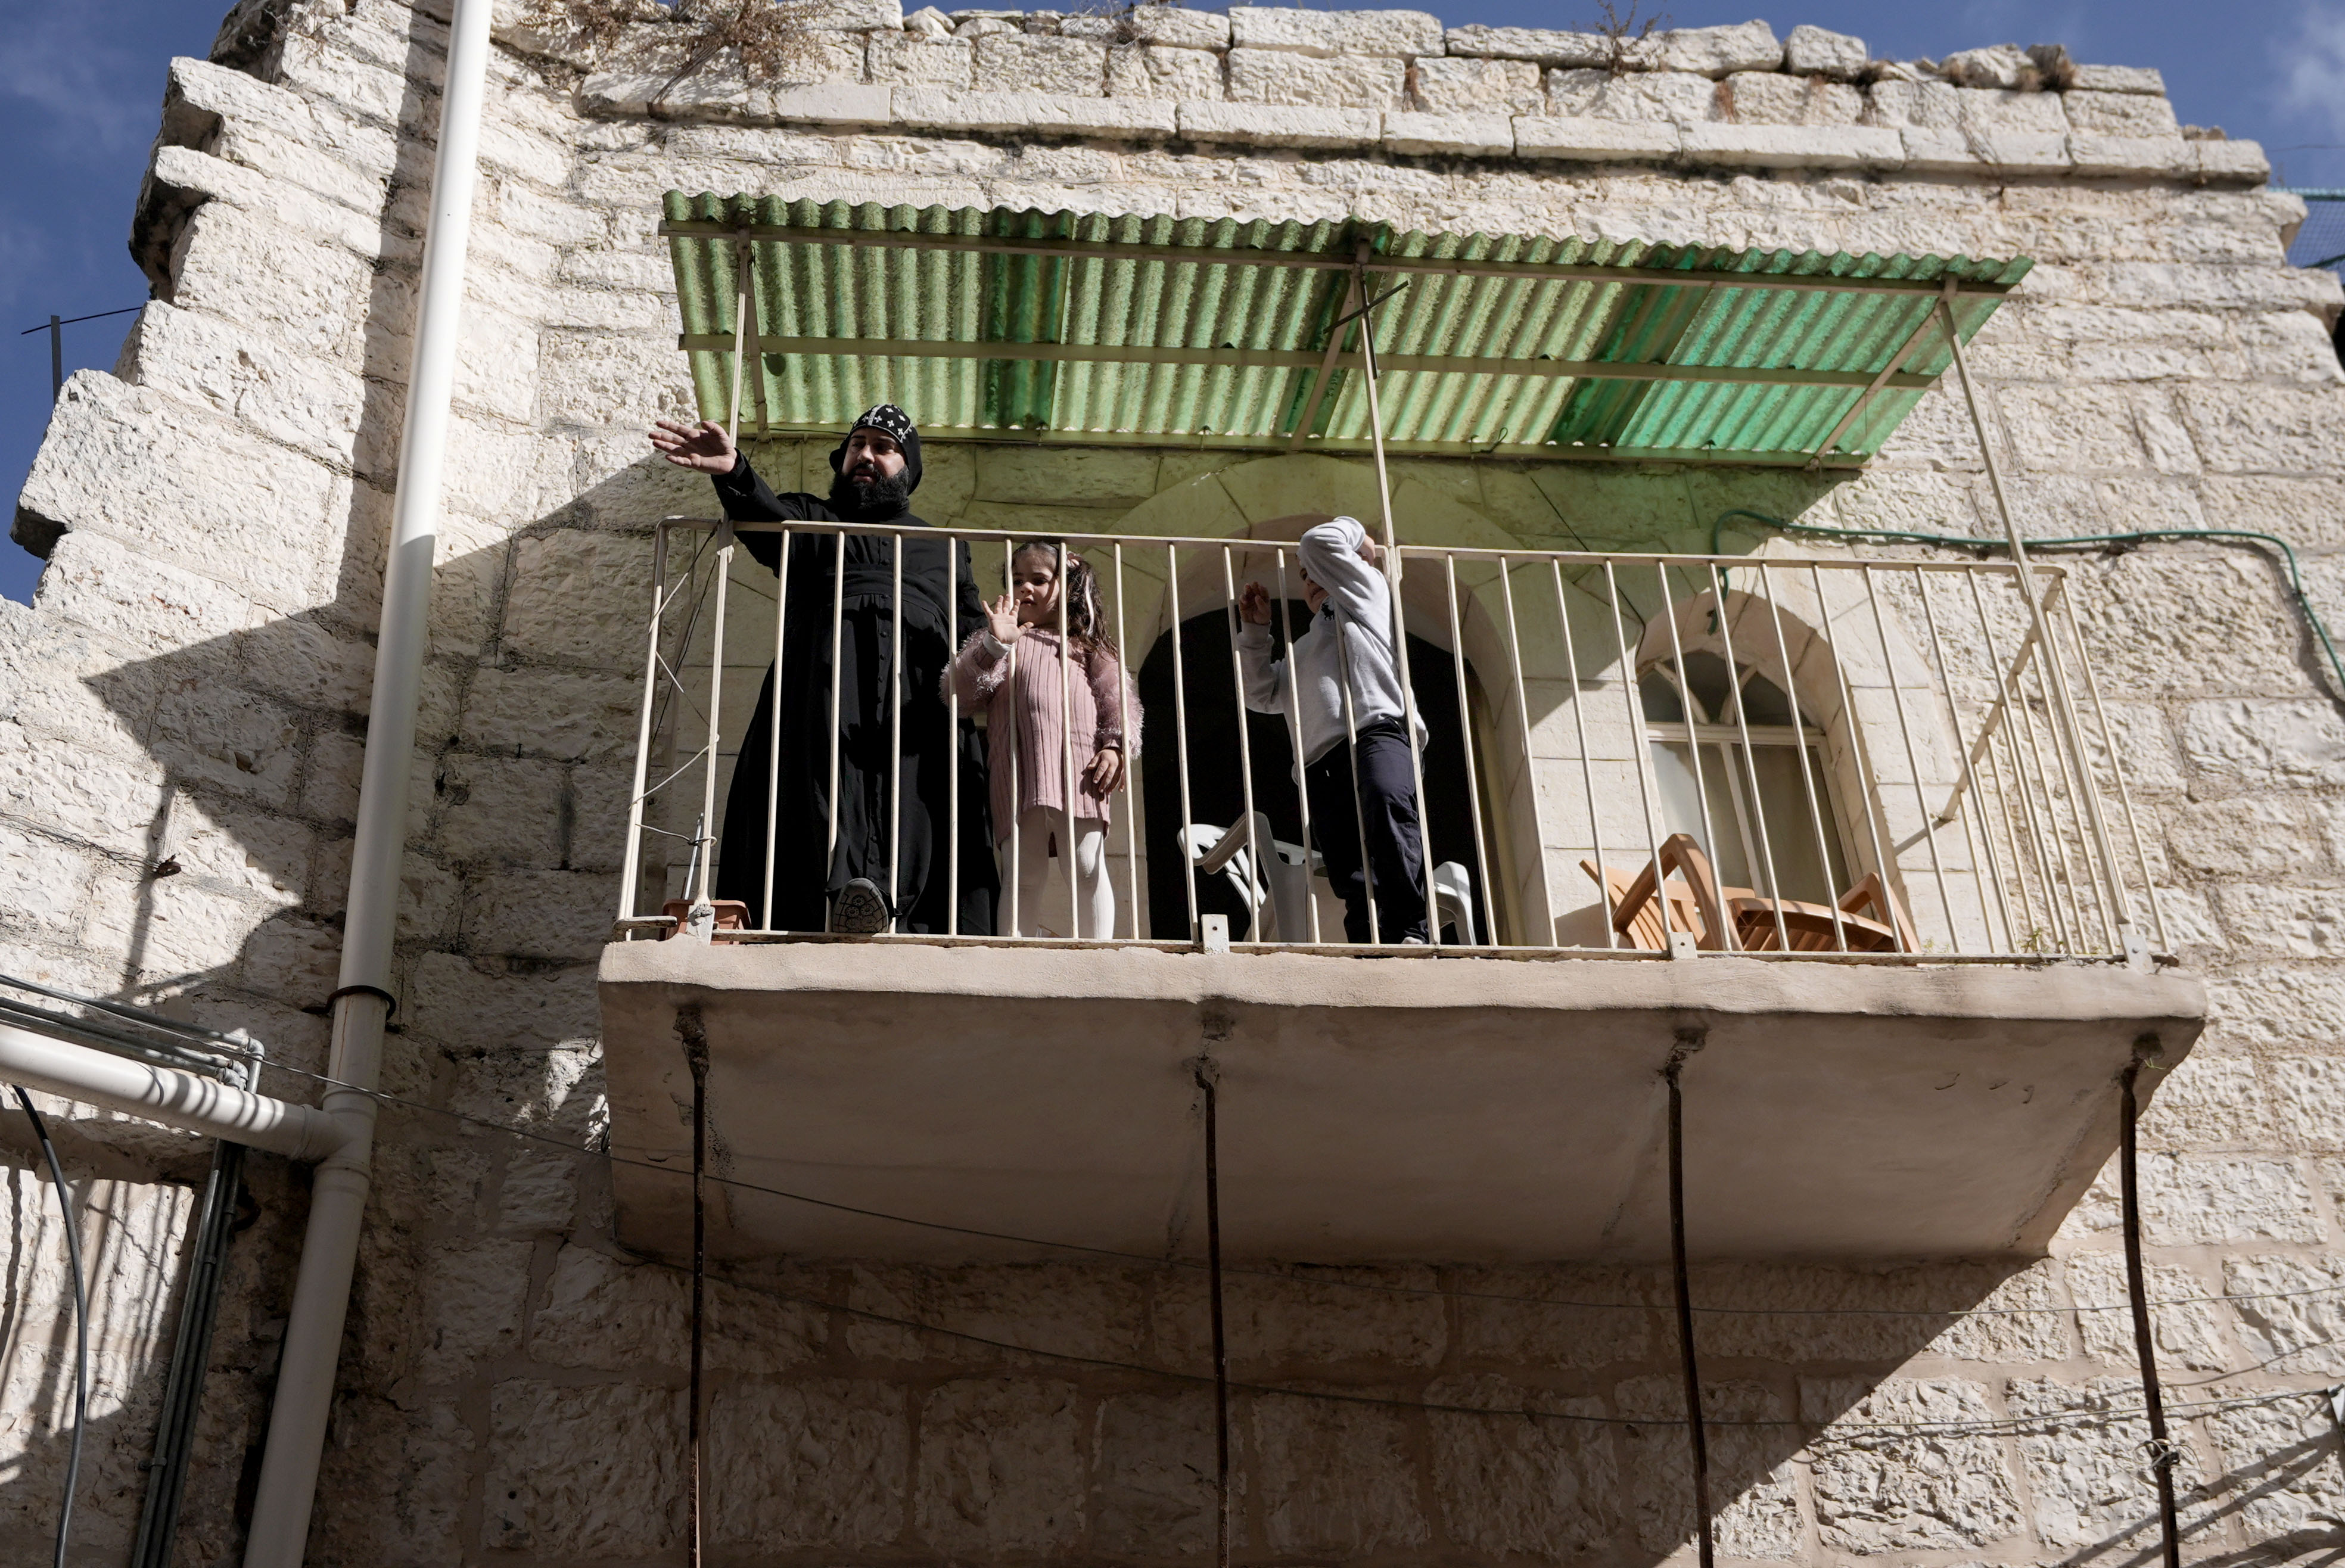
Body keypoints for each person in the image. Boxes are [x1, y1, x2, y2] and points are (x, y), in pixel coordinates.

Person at [648, 405, 996, 935]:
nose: (866, 456)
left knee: (919, 813)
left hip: (917, 712)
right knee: (819, 805)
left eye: (883, 447)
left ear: (908, 467)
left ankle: (903, 917)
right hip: (824, 697)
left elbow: (975, 632)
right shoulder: (815, 519)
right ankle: (839, 907)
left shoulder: (943, 547)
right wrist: (734, 471)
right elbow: (768, 519)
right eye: (857, 445)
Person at [1235, 517, 1429, 945]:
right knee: (1346, 855)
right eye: (1304, 576)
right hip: (1319, 759)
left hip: (1378, 731)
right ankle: (1369, 940)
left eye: (1319, 568)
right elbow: (1261, 693)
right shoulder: (1301, 649)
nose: (1310, 579)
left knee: (1386, 804)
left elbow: (1318, 541)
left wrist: (1359, 536)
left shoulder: (1367, 597)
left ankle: (1410, 928)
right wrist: (1255, 632)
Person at [945, 541, 1138, 939]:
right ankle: (1016, 956)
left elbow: (1117, 696)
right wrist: (995, 644)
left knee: (1085, 864)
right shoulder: (1001, 644)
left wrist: (1115, 746)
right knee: (1022, 871)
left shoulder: (1087, 645)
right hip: (1017, 773)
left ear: (1066, 588)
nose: (1025, 589)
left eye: (1039, 580)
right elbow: (957, 695)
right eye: (1017, 581)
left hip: (1080, 768)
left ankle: (1097, 954)